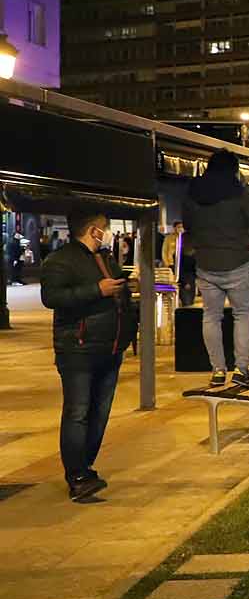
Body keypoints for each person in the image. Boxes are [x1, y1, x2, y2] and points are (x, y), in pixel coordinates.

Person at [41, 204, 129, 502]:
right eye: (105, 227)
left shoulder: (104, 258)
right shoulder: (60, 260)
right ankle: (76, 475)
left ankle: (86, 467)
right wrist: (97, 290)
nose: (107, 233)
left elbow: (117, 290)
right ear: (94, 230)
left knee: (99, 411)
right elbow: (52, 298)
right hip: (77, 349)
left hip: (109, 347)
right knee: (78, 412)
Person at [182, 150, 249, 388]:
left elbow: (187, 224)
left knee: (211, 316)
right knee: (242, 315)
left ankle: (217, 370)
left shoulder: (194, 192)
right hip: (237, 263)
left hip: (206, 265)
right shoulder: (239, 192)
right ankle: (241, 370)